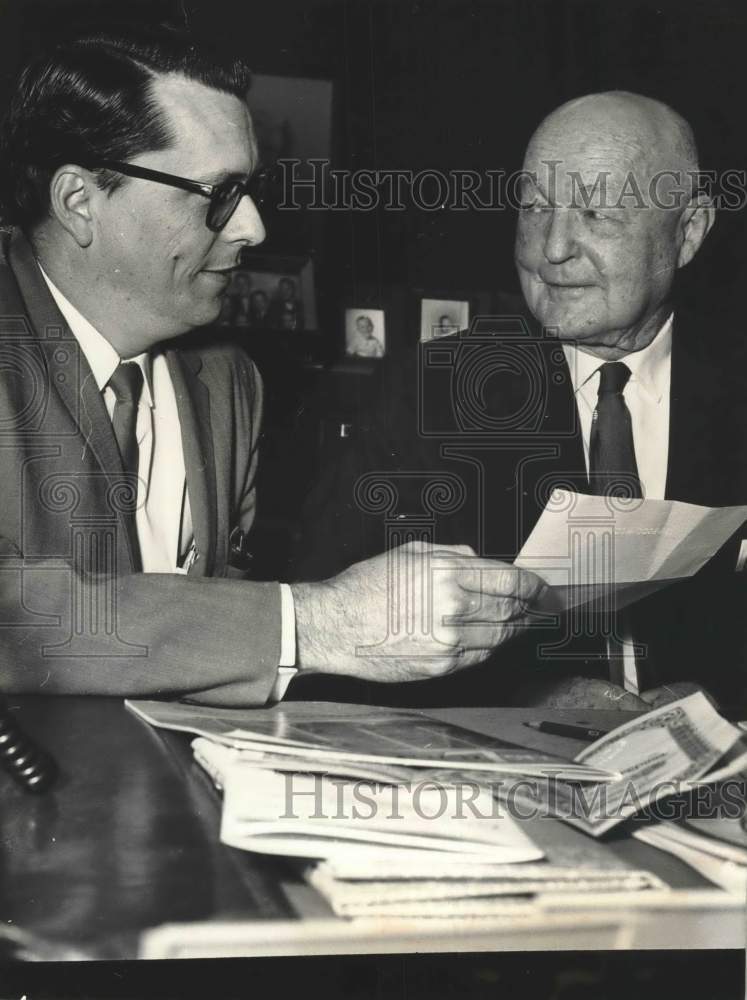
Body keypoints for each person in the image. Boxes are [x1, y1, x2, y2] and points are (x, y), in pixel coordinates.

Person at [0, 26, 545, 706]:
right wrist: (318, 622)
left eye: (249, 190)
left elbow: (210, 634)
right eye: (218, 194)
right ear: (80, 201)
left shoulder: (228, 382)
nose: (252, 227)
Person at [293, 92, 747, 711]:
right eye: (534, 208)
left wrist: (716, 704)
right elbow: (325, 635)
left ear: (687, 232)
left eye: (594, 213)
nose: (552, 248)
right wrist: (530, 696)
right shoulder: (429, 393)